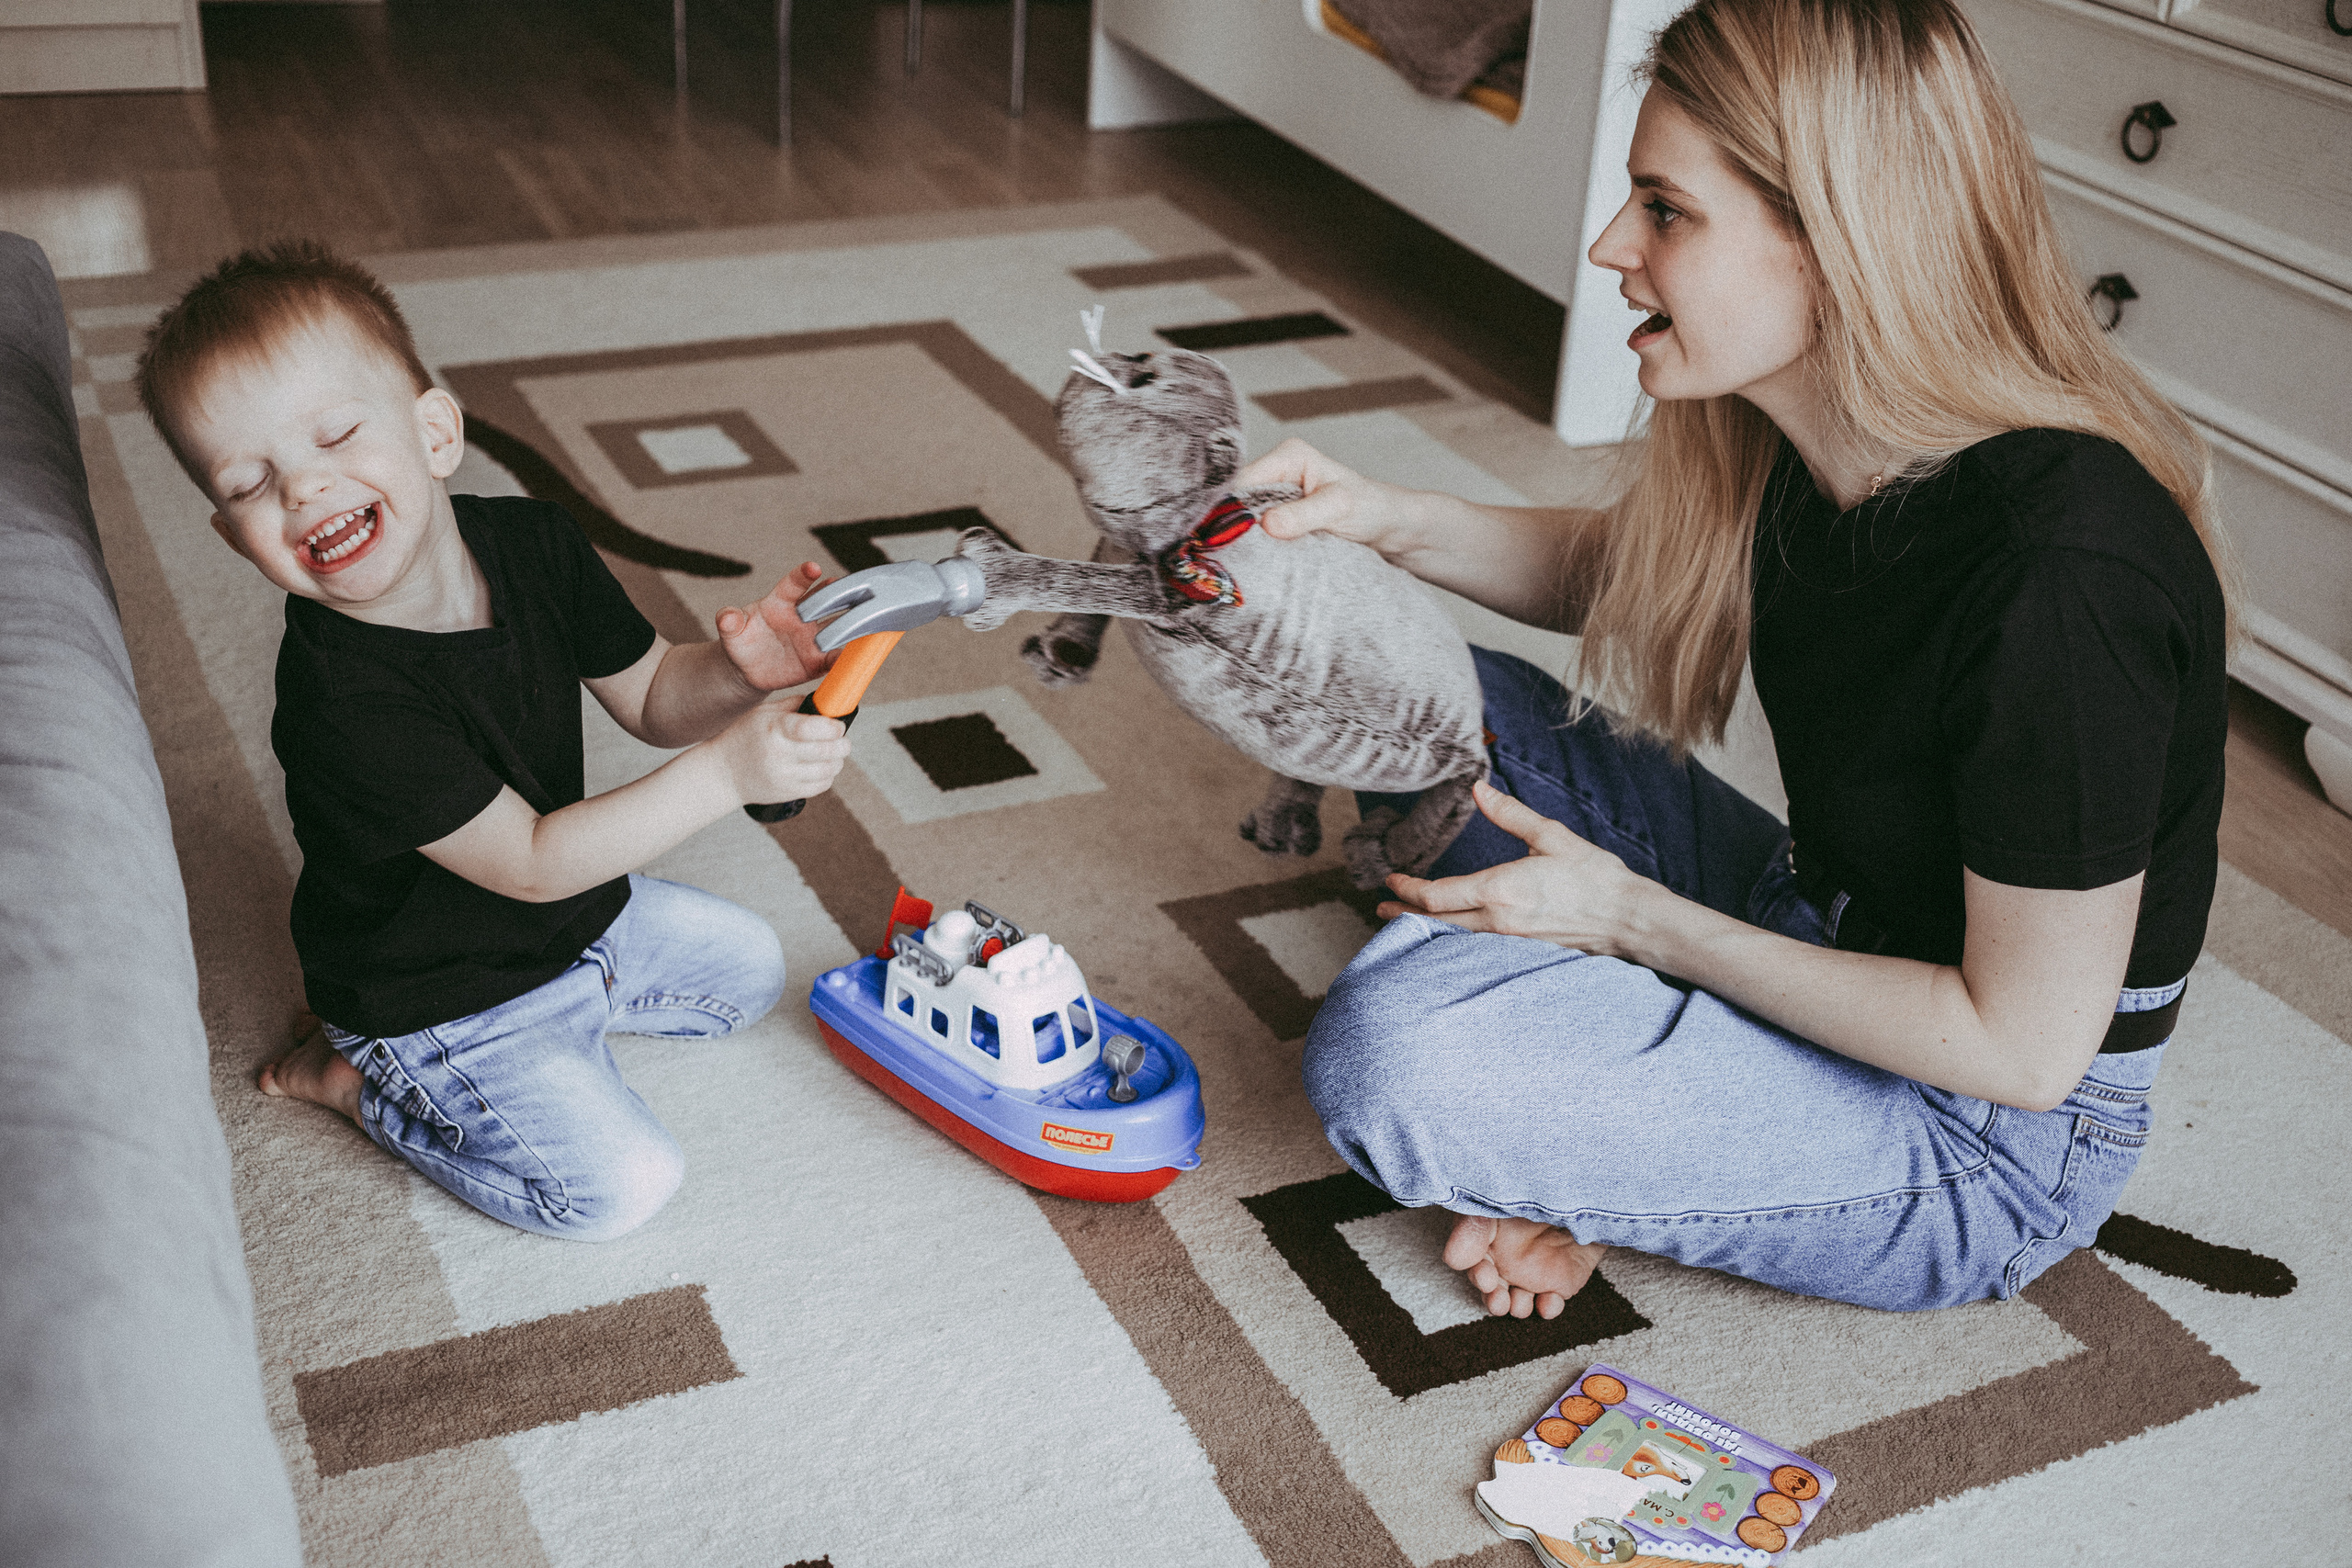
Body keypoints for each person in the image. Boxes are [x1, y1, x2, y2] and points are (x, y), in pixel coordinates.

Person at [1238, 0, 2233, 1316]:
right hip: (1811, 916)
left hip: (1978, 1143)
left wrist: (1626, 919)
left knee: (1390, 1050)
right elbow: (1631, 570)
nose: (1612, 245)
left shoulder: (2064, 576)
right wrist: (1376, 518)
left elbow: (2021, 1050)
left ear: (1836, 238)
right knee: (1419, 695)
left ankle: (1626, 1122)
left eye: (1664, 210)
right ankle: (1645, 1126)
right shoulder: (1829, 437)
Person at [136, 243, 854, 1241]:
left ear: (435, 434)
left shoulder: (534, 542)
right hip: (435, 996)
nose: (302, 488)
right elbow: (529, 863)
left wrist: (742, 674)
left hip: (576, 926)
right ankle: (363, 1083)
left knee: (751, 972)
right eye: (252, 483)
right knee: (618, 1188)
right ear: (231, 536)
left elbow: (653, 694)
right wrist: (729, 771)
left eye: (336, 434)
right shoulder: (341, 699)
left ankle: (569, 1015)